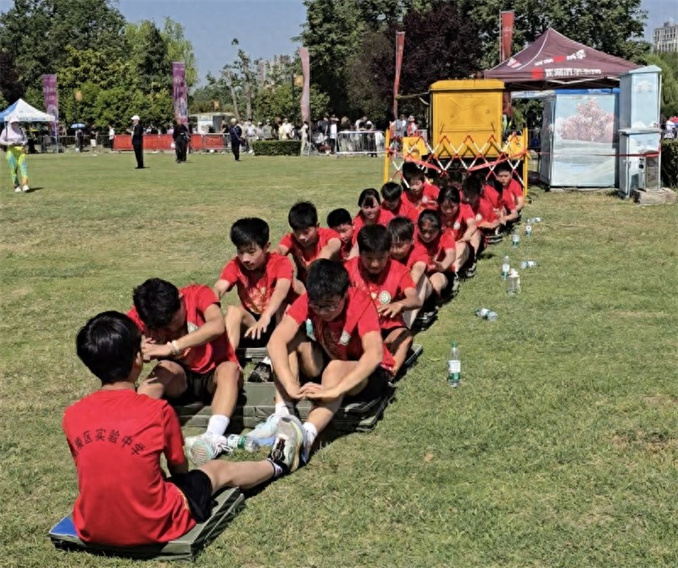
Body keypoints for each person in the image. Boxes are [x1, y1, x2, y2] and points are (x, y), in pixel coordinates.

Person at [63, 311, 303, 547]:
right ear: (137, 359)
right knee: (217, 470)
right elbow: (179, 469)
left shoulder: (72, 415)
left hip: (91, 526)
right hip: (156, 524)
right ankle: (277, 464)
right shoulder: (157, 410)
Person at [263, 260, 396, 463]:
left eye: (330, 306)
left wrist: (334, 390)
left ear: (345, 294)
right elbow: (276, 341)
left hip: (369, 374)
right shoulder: (310, 300)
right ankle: (283, 414)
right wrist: (290, 384)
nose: (322, 312)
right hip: (331, 358)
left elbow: (374, 355)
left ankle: (306, 437)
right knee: (291, 340)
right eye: (316, 306)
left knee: (335, 368)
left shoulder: (361, 302)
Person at [126, 278, 241, 466]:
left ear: (180, 299)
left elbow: (217, 325)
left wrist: (171, 347)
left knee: (230, 369)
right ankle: (131, 431)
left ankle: (212, 438)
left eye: (172, 321)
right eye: (162, 327)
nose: (170, 328)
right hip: (180, 378)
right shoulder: (147, 311)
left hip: (215, 373)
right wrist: (138, 347)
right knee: (162, 370)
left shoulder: (198, 294)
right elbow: (118, 338)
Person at [214, 218, 294, 383]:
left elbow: (281, 290)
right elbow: (219, 288)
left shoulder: (281, 263)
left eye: (251, 252)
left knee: (285, 307)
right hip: (253, 324)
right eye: (240, 251)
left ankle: (271, 361)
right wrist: (209, 307)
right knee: (233, 311)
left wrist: (266, 316)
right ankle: (229, 363)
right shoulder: (235, 265)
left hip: (276, 322)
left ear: (266, 247)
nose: (245, 259)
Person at [345, 225, 420, 374]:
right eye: (369, 258)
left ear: (388, 253)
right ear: (360, 253)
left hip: (388, 328)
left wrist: (399, 304)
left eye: (381, 258)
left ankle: (388, 374)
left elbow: (415, 299)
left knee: (404, 338)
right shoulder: (348, 269)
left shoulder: (399, 270)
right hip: (358, 331)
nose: (375, 264)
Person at [276, 201, 343, 284]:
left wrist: (315, 264)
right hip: (305, 286)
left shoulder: (327, 234)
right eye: (296, 232)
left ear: (317, 226)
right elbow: (280, 250)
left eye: (306, 232)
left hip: (332, 284)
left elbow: (334, 245)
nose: (301, 237)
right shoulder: (291, 238)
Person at [387, 217, 432, 326]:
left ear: (412, 240)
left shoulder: (419, 251)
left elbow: (416, 274)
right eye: (391, 246)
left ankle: (405, 326)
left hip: (417, 291)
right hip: (393, 293)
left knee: (422, 280)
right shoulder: (385, 252)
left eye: (400, 246)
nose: (395, 250)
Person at [414, 209, 458, 302]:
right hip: (419, 272)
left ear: (439, 229)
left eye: (431, 232)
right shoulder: (413, 236)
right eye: (423, 231)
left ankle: (432, 300)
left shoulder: (445, 236)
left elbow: (451, 254)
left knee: (436, 279)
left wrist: (443, 265)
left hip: (441, 272)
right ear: (418, 227)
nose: (427, 235)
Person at [437, 182, 478, 276]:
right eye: (445, 207)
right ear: (439, 204)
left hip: (459, 244)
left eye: (452, 207)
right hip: (441, 248)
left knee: (461, 245)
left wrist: (468, 234)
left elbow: (472, 224)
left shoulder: (465, 208)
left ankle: (453, 272)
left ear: (459, 203)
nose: (448, 211)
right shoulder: (434, 211)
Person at [0, 115, 30, 192]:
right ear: (10, 123)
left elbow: (26, 139)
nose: (15, 124)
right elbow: (1, 140)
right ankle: (16, 186)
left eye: (16, 122)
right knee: (13, 169)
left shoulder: (21, 130)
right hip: (11, 151)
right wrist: (8, 143)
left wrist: (24, 142)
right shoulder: (6, 130)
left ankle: (25, 185)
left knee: (23, 167)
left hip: (21, 150)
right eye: (13, 122)